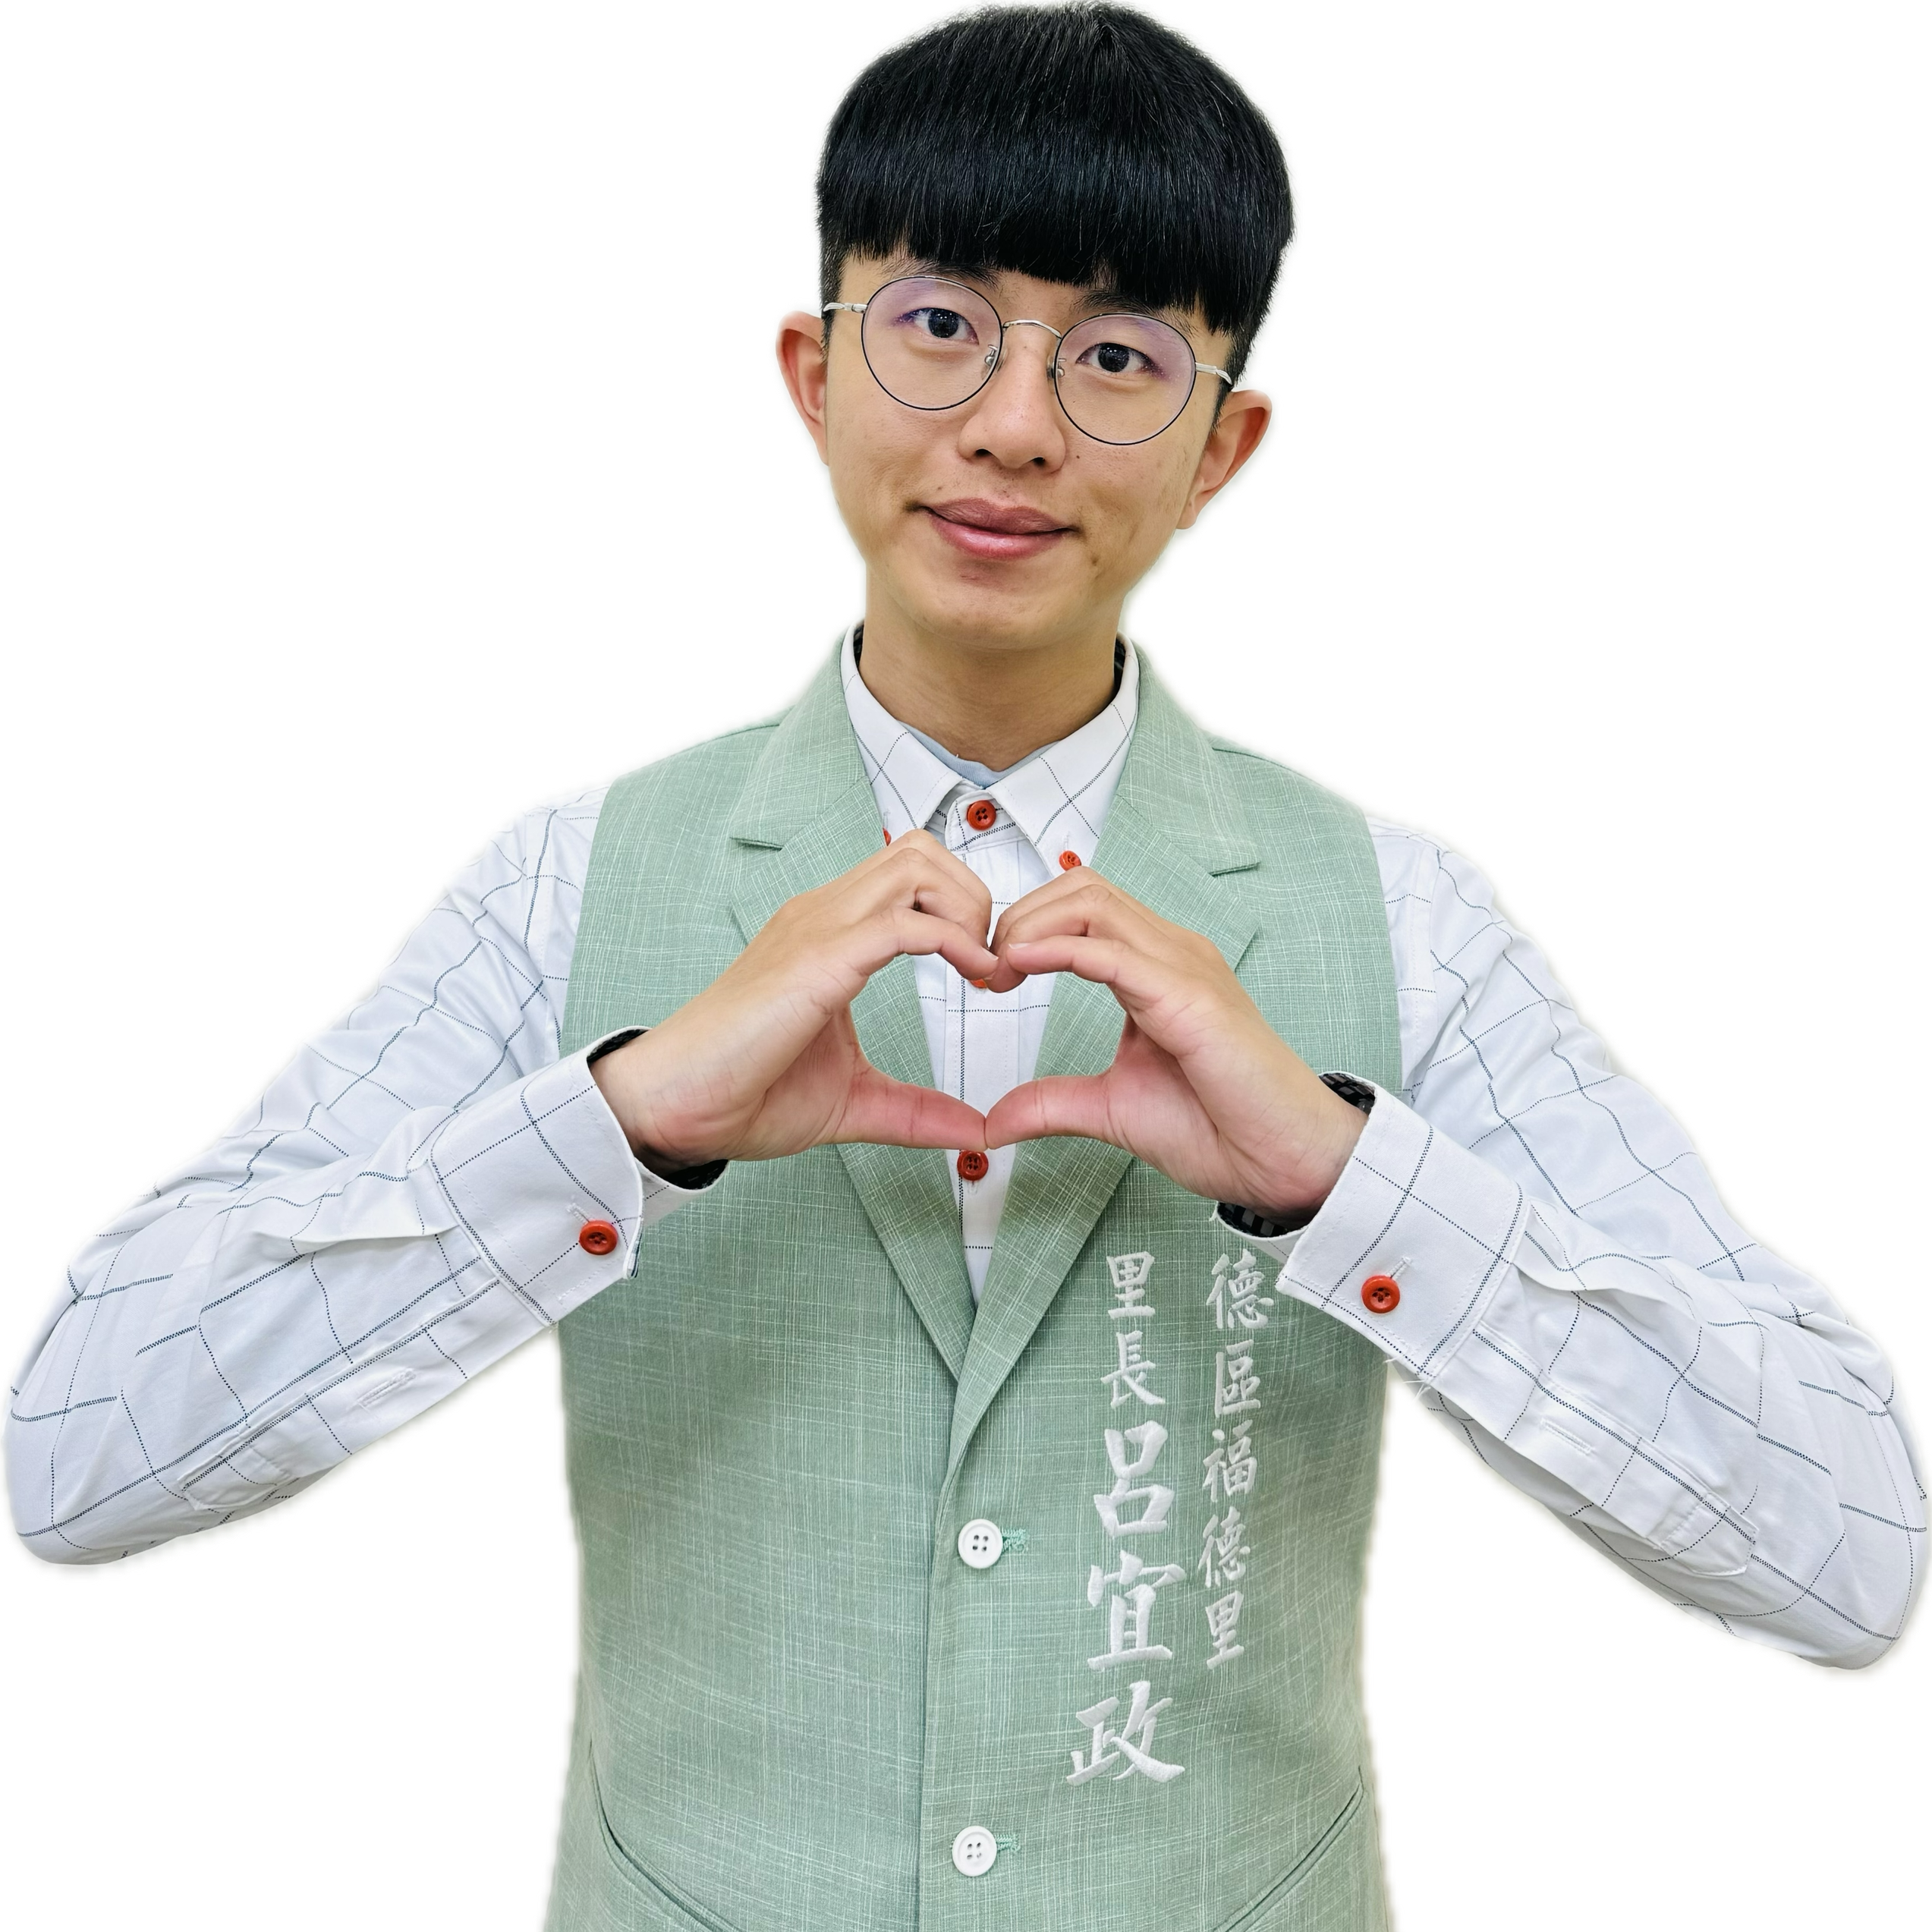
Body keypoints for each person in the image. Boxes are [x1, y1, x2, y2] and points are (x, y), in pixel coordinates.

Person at [5, 4, 1923, 1927]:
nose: (1013, 425)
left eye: (1118, 355)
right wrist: (621, 1126)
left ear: (1226, 447)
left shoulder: (1406, 906)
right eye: (937, 322)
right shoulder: (562, 878)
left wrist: (1346, 1180)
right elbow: (77, 1458)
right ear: (810, 369)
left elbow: (1850, 1559)